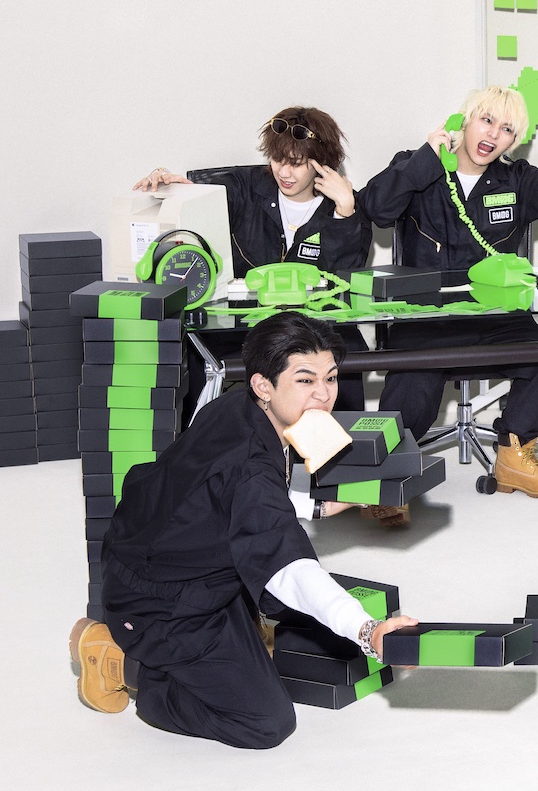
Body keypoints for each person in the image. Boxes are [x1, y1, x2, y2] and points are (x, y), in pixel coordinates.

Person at [68, 312, 417, 748]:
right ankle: (121, 662)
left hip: (165, 555)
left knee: (280, 625)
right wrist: (368, 631)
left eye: (330, 377)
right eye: (305, 380)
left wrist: (323, 507)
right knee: (267, 722)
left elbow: (228, 497)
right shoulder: (250, 466)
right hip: (162, 602)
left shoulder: (237, 405)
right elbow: (291, 569)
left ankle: (234, 634)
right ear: (263, 385)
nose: (324, 394)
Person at [357, 86, 538, 498]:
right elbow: (375, 208)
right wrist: (425, 161)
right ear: (464, 120)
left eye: (507, 130)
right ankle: (386, 470)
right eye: (487, 121)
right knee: (411, 384)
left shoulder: (514, 180)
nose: (494, 134)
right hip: (428, 317)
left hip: (495, 316)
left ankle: (513, 454)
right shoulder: (417, 167)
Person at [133, 106, 373, 418]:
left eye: (296, 163)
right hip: (244, 326)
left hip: (316, 329)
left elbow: (346, 278)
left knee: (347, 351)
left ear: (321, 163)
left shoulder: (345, 204)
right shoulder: (244, 187)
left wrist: (345, 212)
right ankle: (196, 438)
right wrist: (171, 186)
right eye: (277, 159)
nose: (284, 172)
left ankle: (342, 443)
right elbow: (199, 204)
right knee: (189, 345)